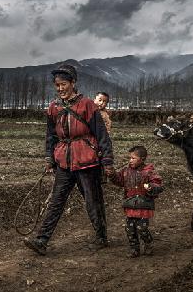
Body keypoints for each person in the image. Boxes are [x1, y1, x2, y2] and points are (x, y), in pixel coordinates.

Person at [23, 64, 114, 255]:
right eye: (57, 85)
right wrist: (49, 158)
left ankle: (101, 236)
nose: (60, 88)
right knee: (56, 201)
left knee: (93, 201)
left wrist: (107, 161)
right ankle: (42, 240)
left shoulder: (87, 105)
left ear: (73, 83)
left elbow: (102, 135)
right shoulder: (53, 107)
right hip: (64, 161)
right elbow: (51, 136)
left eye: (63, 84)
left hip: (87, 161)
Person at [105, 145, 163, 257]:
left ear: (142, 159)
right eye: (129, 158)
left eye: (133, 158)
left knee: (142, 228)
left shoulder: (149, 172)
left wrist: (151, 187)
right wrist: (112, 175)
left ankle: (148, 243)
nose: (130, 161)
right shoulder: (126, 171)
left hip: (143, 206)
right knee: (130, 229)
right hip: (130, 205)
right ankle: (134, 249)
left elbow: (158, 183)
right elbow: (119, 181)